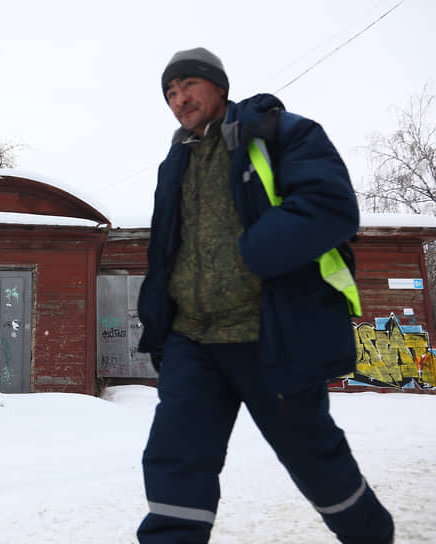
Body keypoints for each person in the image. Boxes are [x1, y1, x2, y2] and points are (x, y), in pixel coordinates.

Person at [136, 47, 395, 543]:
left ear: (219, 86)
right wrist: (161, 325)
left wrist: (249, 254)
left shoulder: (282, 133)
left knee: (315, 459)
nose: (178, 99)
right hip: (193, 340)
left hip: (268, 334)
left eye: (188, 85)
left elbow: (330, 206)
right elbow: (165, 249)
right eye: (170, 92)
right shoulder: (175, 161)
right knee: (174, 460)